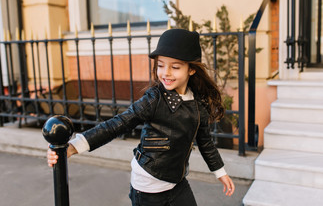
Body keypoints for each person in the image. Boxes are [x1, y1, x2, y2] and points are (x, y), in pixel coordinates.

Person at [47, 28, 235, 206]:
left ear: (191, 70)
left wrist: (221, 173)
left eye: (175, 67)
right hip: (147, 187)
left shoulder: (197, 106)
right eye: (161, 65)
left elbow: (206, 143)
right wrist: (73, 147)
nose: (166, 73)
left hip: (177, 183)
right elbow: (118, 124)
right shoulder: (153, 100)